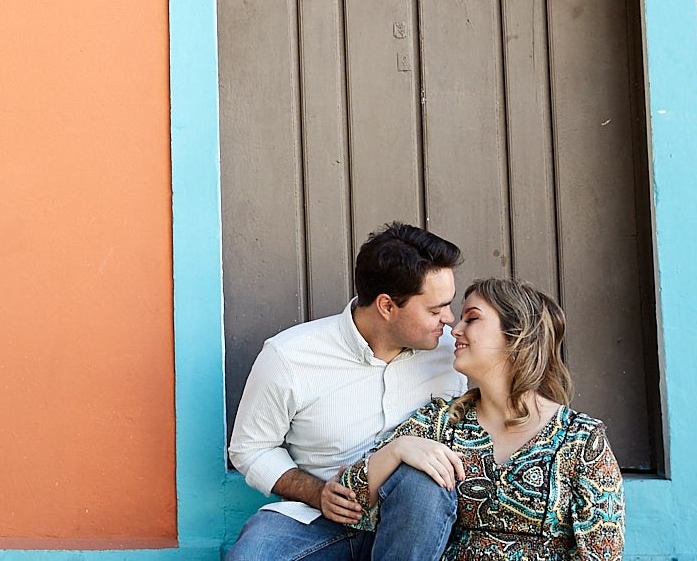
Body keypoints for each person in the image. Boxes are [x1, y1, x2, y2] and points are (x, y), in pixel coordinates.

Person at [332, 278, 625, 561]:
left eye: (471, 319)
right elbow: (347, 496)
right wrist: (397, 449)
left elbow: (603, 551)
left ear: (517, 335)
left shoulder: (581, 440)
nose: (455, 330)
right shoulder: (441, 423)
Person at [226, 223, 467, 561]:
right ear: (386, 306)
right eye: (435, 309)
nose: (449, 319)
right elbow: (250, 449)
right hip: (319, 519)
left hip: (417, 520)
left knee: (424, 484)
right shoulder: (291, 356)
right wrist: (317, 492)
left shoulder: (454, 353)